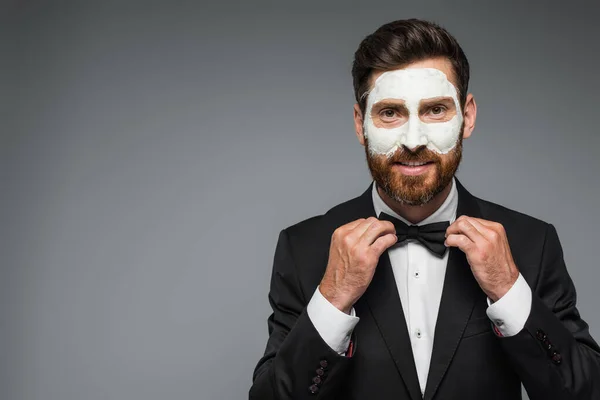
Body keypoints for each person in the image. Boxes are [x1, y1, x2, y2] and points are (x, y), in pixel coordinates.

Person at [248, 18, 600, 400]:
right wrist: (333, 298)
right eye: (390, 113)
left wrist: (509, 290)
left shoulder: (532, 242)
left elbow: (584, 390)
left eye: (435, 110)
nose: (413, 141)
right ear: (359, 124)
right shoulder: (303, 248)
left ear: (467, 117)